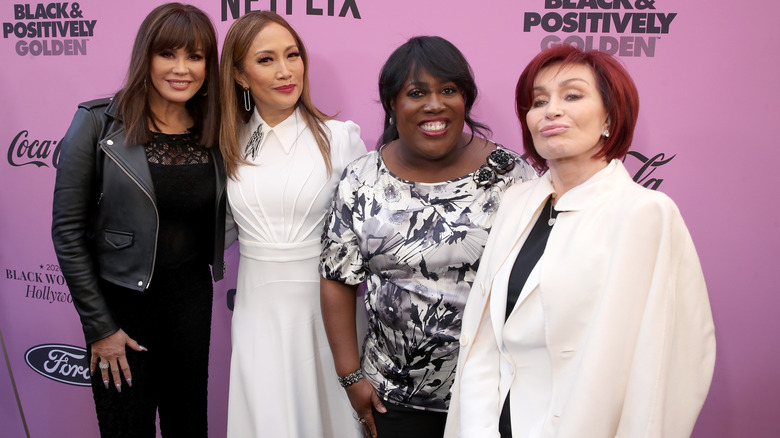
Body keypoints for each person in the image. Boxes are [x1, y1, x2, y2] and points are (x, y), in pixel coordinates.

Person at [445, 45, 716, 438]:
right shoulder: (517, 202)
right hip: (492, 422)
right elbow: (485, 336)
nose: (551, 110)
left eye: (572, 95)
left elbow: (669, 367)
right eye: (539, 101)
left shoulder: (644, 213)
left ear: (609, 115)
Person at [319, 35, 536, 438]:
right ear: (392, 104)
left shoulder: (510, 175)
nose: (434, 104)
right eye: (416, 92)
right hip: (394, 398)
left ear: (465, 100)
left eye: (448, 90)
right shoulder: (362, 180)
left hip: (493, 393)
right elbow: (337, 277)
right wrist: (351, 378)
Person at [51, 3, 224, 437]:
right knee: (125, 427)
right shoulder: (96, 123)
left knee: (189, 425)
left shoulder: (217, 129)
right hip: (121, 308)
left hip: (190, 303)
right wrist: (100, 327)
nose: (182, 68)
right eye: (168, 54)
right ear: (145, 56)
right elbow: (68, 233)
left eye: (196, 56)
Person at [218, 11, 367, 438]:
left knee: (332, 418)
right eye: (266, 60)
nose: (286, 71)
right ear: (240, 76)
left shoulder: (340, 139)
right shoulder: (227, 146)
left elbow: (363, 238)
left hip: (328, 314)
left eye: (293, 55)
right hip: (256, 311)